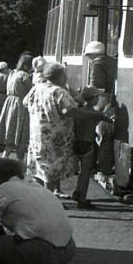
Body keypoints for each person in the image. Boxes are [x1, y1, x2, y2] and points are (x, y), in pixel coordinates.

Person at [23, 63, 80, 197]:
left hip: (37, 136)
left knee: (39, 169)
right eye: (64, 75)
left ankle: (39, 197)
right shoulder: (59, 92)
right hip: (55, 139)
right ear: (60, 76)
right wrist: (95, 114)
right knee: (51, 169)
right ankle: (48, 201)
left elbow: (25, 102)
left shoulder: (36, 89)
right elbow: (71, 111)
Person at [83, 41, 118, 180]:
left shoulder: (97, 64)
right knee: (108, 133)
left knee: (101, 134)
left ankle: (102, 167)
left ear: (91, 54)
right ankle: (106, 165)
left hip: (102, 101)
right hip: (114, 101)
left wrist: (83, 98)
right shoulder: (113, 61)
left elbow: (96, 88)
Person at [71, 85, 110, 210]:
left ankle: (77, 192)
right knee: (85, 173)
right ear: (93, 99)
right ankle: (82, 200)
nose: (99, 98)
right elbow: (108, 120)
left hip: (76, 142)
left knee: (79, 172)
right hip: (87, 144)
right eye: (97, 96)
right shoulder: (94, 113)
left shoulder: (78, 111)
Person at [0, 54, 34, 161]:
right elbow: (31, 90)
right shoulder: (24, 75)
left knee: (11, 132)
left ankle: (4, 157)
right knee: (21, 134)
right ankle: (20, 161)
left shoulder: (12, 73)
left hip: (10, 102)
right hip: (21, 104)